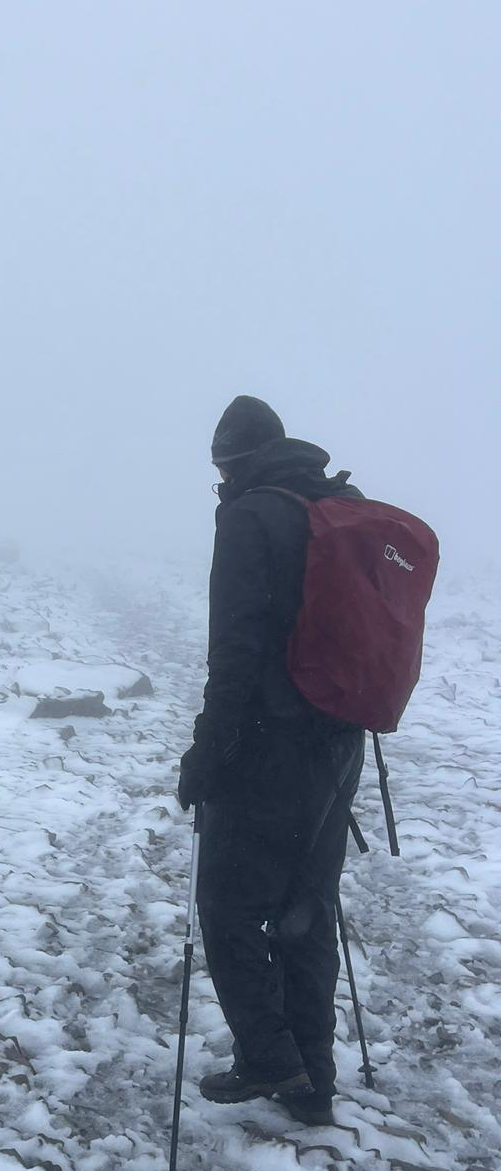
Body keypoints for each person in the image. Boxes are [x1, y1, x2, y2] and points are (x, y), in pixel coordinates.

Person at [178, 398, 364, 1128]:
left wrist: (206, 755)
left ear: (228, 463)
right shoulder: (337, 507)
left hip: (268, 746)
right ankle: (311, 1084)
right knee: (305, 913)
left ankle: (268, 1054)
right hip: (339, 744)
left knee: (227, 908)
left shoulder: (252, 515)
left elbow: (236, 654)